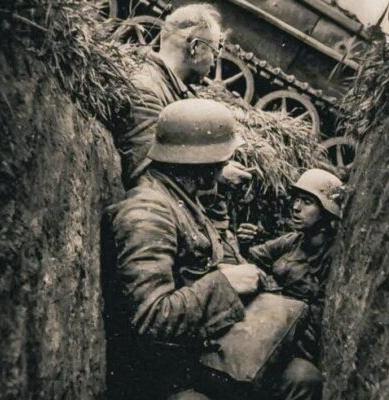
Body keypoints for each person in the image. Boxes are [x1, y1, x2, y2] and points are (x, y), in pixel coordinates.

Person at [106, 99, 324, 400]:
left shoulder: (185, 198)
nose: (226, 165)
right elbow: (150, 318)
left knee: (302, 376)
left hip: (204, 346)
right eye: (223, 159)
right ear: (202, 163)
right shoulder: (148, 212)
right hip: (169, 372)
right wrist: (224, 284)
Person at [116, 3, 250, 189]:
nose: (215, 61)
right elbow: (146, 167)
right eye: (215, 50)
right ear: (195, 48)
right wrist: (215, 174)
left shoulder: (173, 89)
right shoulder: (147, 88)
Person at [239, 168, 344, 398]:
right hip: (270, 325)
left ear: (326, 210)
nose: (296, 207)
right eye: (296, 199)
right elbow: (255, 256)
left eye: (307, 202)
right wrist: (244, 243)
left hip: (298, 339)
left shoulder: (335, 254)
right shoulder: (293, 240)